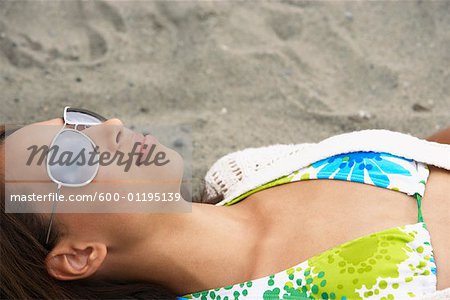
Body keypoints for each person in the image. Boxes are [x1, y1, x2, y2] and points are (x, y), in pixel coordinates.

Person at [1, 108, 449, 300]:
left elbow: (430, 153)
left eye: (81, 122)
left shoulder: (243, 171)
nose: (111, 126)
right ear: (79, 255)